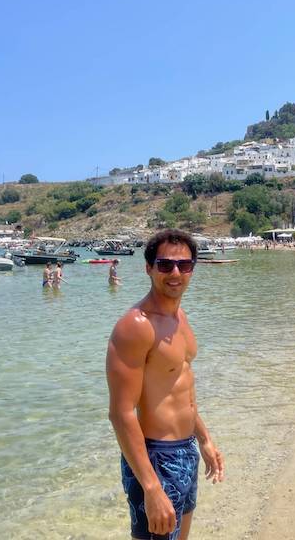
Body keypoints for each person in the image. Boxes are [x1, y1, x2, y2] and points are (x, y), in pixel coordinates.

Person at [106, 229, 224, 540]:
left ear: (192, 270)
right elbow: (121, 413)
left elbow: (179, 389)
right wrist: (151, 486)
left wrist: (204, 439)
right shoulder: (135, 326)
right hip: (155, 458)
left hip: (185, 451)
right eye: (165, 265)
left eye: (184, 266)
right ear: (148, 268)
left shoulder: (180, 318)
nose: (175, 273)